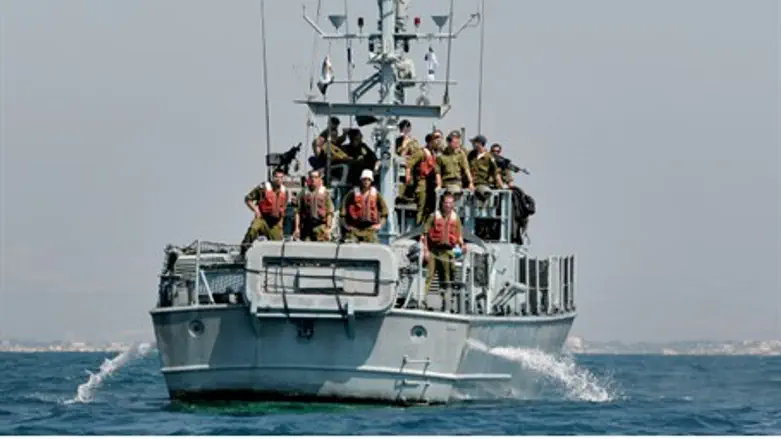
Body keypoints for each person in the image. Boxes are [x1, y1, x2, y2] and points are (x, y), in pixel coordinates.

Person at [422, 192, 465, 310]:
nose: (448, 205)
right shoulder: (433, 216)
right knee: (428, 277)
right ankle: (422, 301)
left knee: (447, 279)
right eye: (446, 202)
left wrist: (461, 247)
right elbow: (425, 234)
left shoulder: (456, 218)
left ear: (453, 204)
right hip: (433, 251)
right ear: (442, 203)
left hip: (448, 252)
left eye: (450, 203)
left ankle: (446, 304)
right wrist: (425, 250)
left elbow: (459, 236)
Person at [239, 168, 288, 257]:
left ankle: (276, 260)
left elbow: (283, 209)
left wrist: (281, 223)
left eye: (281, 177)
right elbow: (248, 199)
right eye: (276, 177)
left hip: (274, 223)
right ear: (272, 178)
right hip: (263, 218)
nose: (278, 179)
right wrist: (256, 210)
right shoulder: (263, 188)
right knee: (253, 229)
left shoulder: (285, 191)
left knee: (279, 244)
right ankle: (243, 252)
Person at [340, 169, 388, 243]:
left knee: (373, 247)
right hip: (354, 229)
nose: (366, 181)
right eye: (364, 179)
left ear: (371, 181)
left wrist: (380, 225)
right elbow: (343, 209)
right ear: (361, 180)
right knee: (350, 248)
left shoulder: (376, 194)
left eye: (368, 179)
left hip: (370, 229)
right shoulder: (353, 193)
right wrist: (345, 225)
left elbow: (384, 211)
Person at [406, 133, 439, 224]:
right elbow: (409, 164)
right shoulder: (421, 153)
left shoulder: (433, 153)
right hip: (422, 181)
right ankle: (418, 227)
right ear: (430, 142)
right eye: (434, 141)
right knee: (421, 206)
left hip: (431, 182)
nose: (437, 142)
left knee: (430, 207)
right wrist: (408, 175)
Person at [293, 169, 333, 242]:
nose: (313, 179)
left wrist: (328, 228)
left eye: (315, 177)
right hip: (306, 227)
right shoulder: (303, 192)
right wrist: (297, 228)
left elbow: (329, 212)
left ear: (319, 179)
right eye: (311, 177)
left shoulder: (325, 193)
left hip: (320, 227)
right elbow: (297, 212)